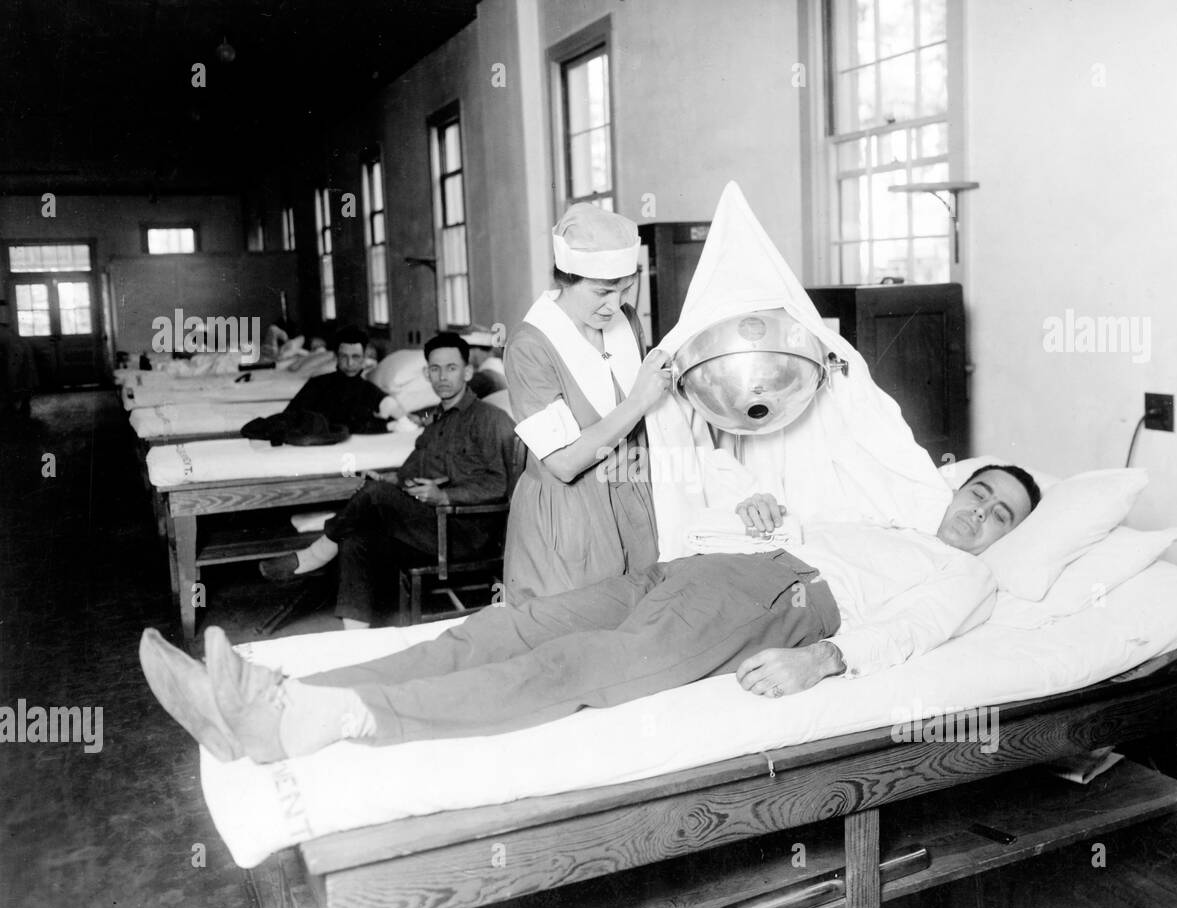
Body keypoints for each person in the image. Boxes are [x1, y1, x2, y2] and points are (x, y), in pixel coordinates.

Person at [140, 465, 1039, 763]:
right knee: (501, 627)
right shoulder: (892, 521)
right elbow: (794, 528)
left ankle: (321, 723)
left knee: (572, 670)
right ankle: (265, 692)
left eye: (1002, 516)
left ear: (1007, 539)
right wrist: (770, 511)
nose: (980, 514)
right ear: (957, 486)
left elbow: (906, 632)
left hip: (775, 603)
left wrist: (825, 662)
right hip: (708, 567)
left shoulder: (968, 579)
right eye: (979, 493)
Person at [259, 334, 519, 629]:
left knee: (376, 495)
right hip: (427, 526)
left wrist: (445, 496)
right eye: (435, 369)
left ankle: (314, 555)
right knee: (355, 540)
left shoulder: (490, 419)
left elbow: (499, 485)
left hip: (463, 534)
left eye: (451, 368)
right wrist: (390, 478)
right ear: (426, 374)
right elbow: (411, 471)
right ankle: (356, 641)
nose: (442, 376)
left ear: (468, 372)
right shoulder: (437, 422)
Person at [503, 202, 672, 604]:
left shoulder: (627, 322)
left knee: (640, 633)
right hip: (568, 522)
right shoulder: (530, 346)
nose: (613, 305)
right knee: (571, 641)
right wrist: (637, 402)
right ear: (566, 279)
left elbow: (649, 425)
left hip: (634, 509)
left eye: (624, 290)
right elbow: (563, 462)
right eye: (601, 292)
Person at [282, 325, 390, 434]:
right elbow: (287, 416)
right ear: (336, 356)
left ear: (363, 358)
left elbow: (396, 418)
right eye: (344, 356)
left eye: (356, 357)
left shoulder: (371, 391)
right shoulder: (317, 384)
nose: (350, 363)